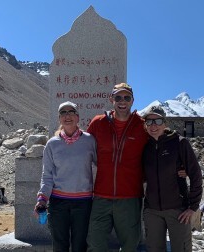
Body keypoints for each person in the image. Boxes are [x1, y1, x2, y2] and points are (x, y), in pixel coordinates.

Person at [86, 83, 149, 252]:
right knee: (95, 244)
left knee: (130, 246)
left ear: (133, 101)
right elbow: (82, 148)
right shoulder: (98, 123)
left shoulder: (143, 126)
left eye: (126, 97)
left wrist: (180, 166)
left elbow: (158, 149)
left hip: (130, 197)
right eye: (118, 97)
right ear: (111, 99)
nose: (122, 101)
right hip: (100, 197)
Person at [35, 101, 97, 252]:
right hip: (58, 203)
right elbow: (47, 174)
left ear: (77, 117)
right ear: (59, 119)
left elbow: (99, 168)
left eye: (71, 112)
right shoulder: (52, 144)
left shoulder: (89, 141)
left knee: (80, 245)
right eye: (63, 113)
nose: (67, 116)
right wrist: (42, 199)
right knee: (60, 244)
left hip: (83, 203)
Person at [142, 105, 203, 252]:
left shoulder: (179, 143)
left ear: (165, 123)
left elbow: (195, 174)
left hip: (178, 210)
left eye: (157, 121)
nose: (153, 126)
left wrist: (192, 207)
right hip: (152, 211)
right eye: (149, 122)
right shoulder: (144, 146)